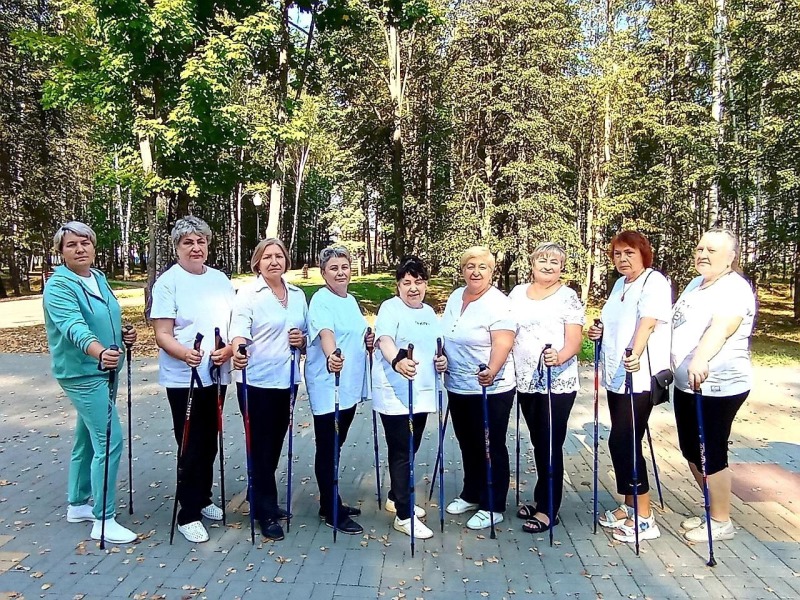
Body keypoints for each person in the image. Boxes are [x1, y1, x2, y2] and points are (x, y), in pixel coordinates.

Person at [43, 221, 138, 544]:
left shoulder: (97, 278)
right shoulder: (59, 286)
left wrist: (124, 334)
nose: (80, 249)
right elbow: (74, 327)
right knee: (110, 439)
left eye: (85, 242)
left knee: (88, 437)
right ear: (60, 252)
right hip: (82, 373)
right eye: (71, 245)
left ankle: (77, 502)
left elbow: (105, 317)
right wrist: (99, 351)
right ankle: (103, 519)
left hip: (105, 369)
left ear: (94, 247)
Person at [150, 216, 235, 543]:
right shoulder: (168, 283)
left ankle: (203, 498)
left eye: (201, 242)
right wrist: (185, 353)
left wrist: (228, 349)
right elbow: (162, 334)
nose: (196, 248)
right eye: (188, 243)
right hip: (183, 376)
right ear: (177, 248)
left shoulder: (219, 279)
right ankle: (187, 513)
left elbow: (234, 323)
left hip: (216, 370)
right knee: (190, 442)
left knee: (210, 438)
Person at [671, 228, 755, 543]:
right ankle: (712, 509)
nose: (703, 254)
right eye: (701, 247)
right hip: (687, 386)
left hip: (717, 386)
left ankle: (721, 520)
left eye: (713, 250)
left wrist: (701, 358)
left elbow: (722, 328)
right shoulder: (696, 283)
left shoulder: (735, 288)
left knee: (711, 453)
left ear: (731, 257)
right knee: (691, 449)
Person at [587, 231, 671, 543]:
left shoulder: (654, 282)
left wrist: (634, 353)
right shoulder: (621, 284)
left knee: (624, 441)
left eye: (630, 253)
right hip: (616, 376)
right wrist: (599, 331)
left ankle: (646, 517)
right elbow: (615, 322)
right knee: (621, 441)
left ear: (643, 254)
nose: (623, 259)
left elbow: (648, 322)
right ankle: (629, 506)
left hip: (640, 375)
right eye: (618, 254)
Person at [230, 238, 308, 541]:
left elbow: (306, 333)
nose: (274, 261)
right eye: (267, 257)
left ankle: (257, 493)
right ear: (257, 263)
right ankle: (265, 509)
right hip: (256, 380)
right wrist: (238, 348)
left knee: (275, 442)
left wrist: (300, 340)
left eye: (279, 256)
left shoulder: (298, 294)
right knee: (260, 445)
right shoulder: (249, 293)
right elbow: (238, 328)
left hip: (287, 379)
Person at [510, 242, 584, 533]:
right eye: (543, 260)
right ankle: (541, 499)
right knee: (539, 442)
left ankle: (548, 509)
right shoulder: (517, 293)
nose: (548, 266)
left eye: (555, 262)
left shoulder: (568, 297)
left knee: (550, 444)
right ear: (532, 264)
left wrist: (560, 356)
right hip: (525, 381)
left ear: (562, 267)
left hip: (557, 382)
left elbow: (575, 341)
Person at [372, 256, 448, 539]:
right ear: (398, 286)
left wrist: (442, 361)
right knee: (402, 452)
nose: (413, 288)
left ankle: (395, 496)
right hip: (395, 394)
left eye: (418, 282)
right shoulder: (390, 309)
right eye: (407, 283)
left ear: (425, 284)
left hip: (423, 393)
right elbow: (385, 341)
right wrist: (397, 362)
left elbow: (437, 349)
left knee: (411, 448)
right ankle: (404, 516)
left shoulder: (429, 313)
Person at [441, 246, 516, 530]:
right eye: (470, 266)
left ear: (492, 271)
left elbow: (503, 341)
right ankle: (472, 493)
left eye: (482, 267)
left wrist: (492, 369)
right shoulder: (455, 297)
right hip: (458, 384)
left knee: (489, 444)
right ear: (462, 270)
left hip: (490, 386)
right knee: (467, 442)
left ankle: (493, 504)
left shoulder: (498, 302)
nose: (475, 271)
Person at [305, 246, 373, 535]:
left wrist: (367, 339)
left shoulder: (351, 299)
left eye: (344, 266)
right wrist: (332, 355)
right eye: (333, 268)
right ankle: (330, 506)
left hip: (348, 385)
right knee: (329, 446)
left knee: (337, 442)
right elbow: (326, 333)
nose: (340, 272)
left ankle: (331, 501)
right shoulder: (321, 300)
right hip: (328, 384)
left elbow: (355, 332)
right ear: (323, 273)